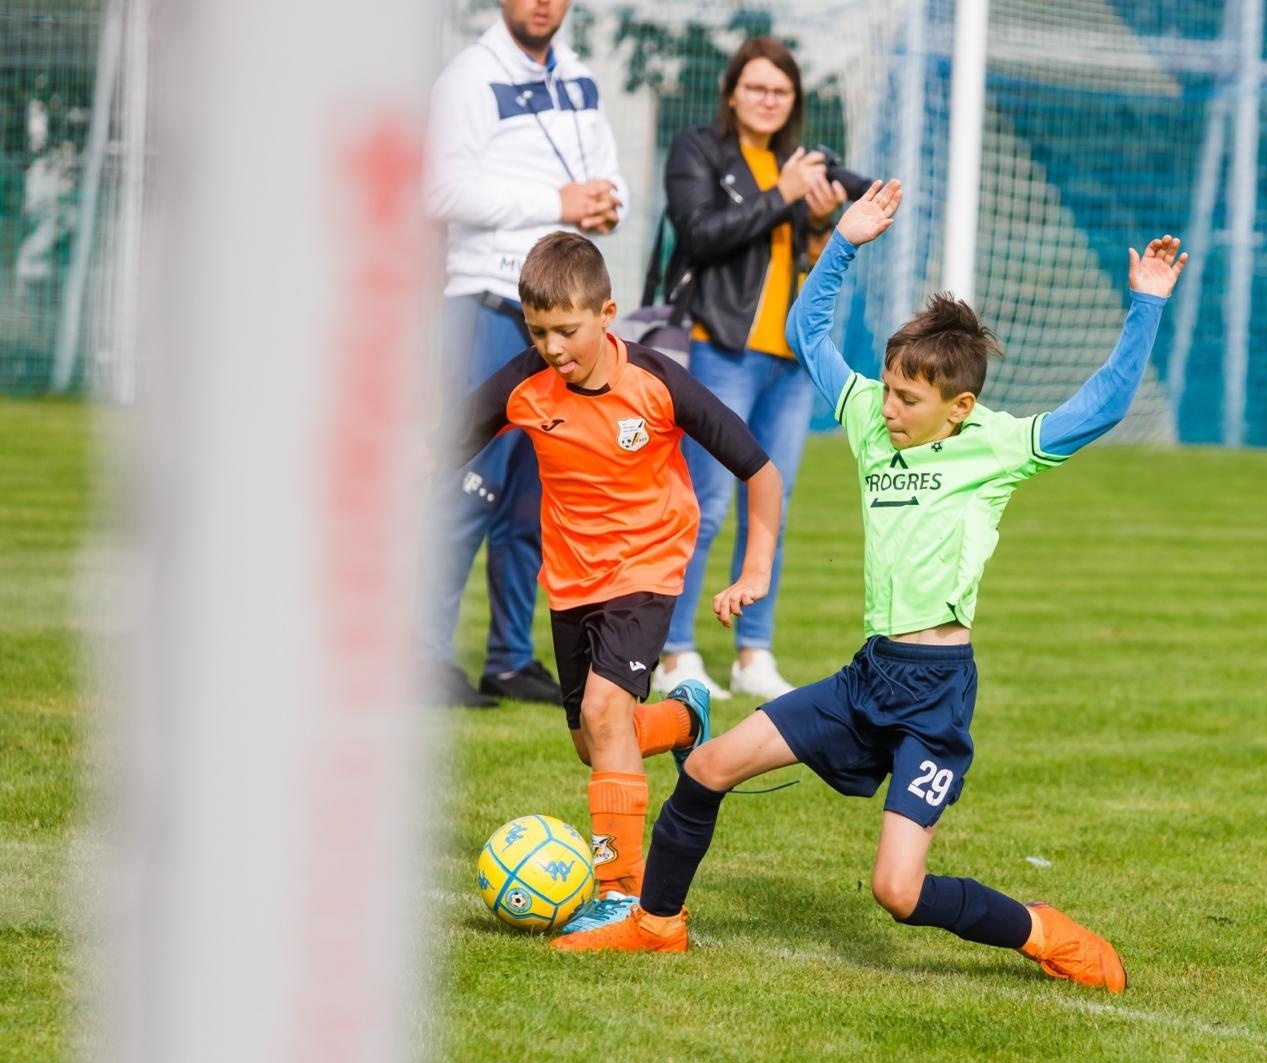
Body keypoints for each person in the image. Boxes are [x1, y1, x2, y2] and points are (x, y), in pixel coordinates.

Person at [550, 180, 1187, 991]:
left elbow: (1102, 406)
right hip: (866, 677)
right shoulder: (865, 416)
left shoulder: (997, 445)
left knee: (898, 890)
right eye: (886, 388)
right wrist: (843, 241)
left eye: (908, 399)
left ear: (957, 408)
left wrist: (1147, 306)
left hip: (934, 694)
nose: (886, 407)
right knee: (706, 766)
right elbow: (806, 330)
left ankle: (1040, 930)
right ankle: (655, 921)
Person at [442, 230, 783, 932]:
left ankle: (624, 895)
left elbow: (760, 468)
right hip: (571, 582)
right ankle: (687, 718)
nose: (552, 347)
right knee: (594, 741)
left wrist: (754, 569)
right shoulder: (524, 386)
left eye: (567, 330)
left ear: (606, 314)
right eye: (538, 331)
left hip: (649, 566)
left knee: (603, 716)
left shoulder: (657, 382)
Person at [421, 0, 627, 707]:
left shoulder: (580, 77)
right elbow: (441, 188)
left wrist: (607, 203)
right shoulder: (468, 78)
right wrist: (561, 203)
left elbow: (608, 177)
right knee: (466, 484)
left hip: (564, 318)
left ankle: (509, 657)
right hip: (488, 304)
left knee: (532, 499)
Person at [650, 37, 848, 703]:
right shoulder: (699, 151)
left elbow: (807, 263)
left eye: (781, 91)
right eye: (757, 87)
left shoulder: (801, 166)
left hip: (789, 362)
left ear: (794, 102)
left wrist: (819, 222)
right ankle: (674, 652)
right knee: (704, 507)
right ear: (732, 91)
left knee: (774, 509)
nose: (769, 99)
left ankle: (751, 653)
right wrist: (780, 193)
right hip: (719, 349)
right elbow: (699, 232)